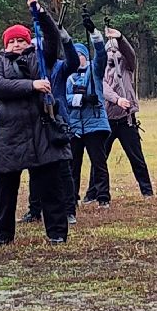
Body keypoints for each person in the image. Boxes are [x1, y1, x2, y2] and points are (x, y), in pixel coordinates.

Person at [0, 0, 78, 245]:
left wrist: (41, 13)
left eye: (21, 40)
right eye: (12, 41)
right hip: (9, 135)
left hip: (43, 132)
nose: (17, 45)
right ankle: (3, 235)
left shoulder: (41, 58)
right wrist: (32, 85)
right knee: (6, 190)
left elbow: (52, 38)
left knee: (50, 188)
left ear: (29, 41)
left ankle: (57, 233)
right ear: (5, 45)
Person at [66, 15, 111, 216]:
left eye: (81, 54)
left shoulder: (95, 71)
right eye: (74, 55)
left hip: (95, 125)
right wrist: (82, 100)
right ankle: (71, 197)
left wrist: (94, 34)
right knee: (73, 164)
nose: (78, 58)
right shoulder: (68, 77)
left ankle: (103, 197)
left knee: (98, 162)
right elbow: (66, 99)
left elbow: (101, 54)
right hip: (75, 126)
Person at [101, 27, 154, 198]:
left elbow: (130, 54)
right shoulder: (99, 71)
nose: (113, 54)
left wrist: (120, 38)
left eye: (116, 50)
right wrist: (117, 99)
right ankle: (94, 193)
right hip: (107, 120)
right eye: (109, 50)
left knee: (136, 157)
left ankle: (147, 191)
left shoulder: (127, 67)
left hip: (127, 120)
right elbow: (103, 89)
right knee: (100, 159)